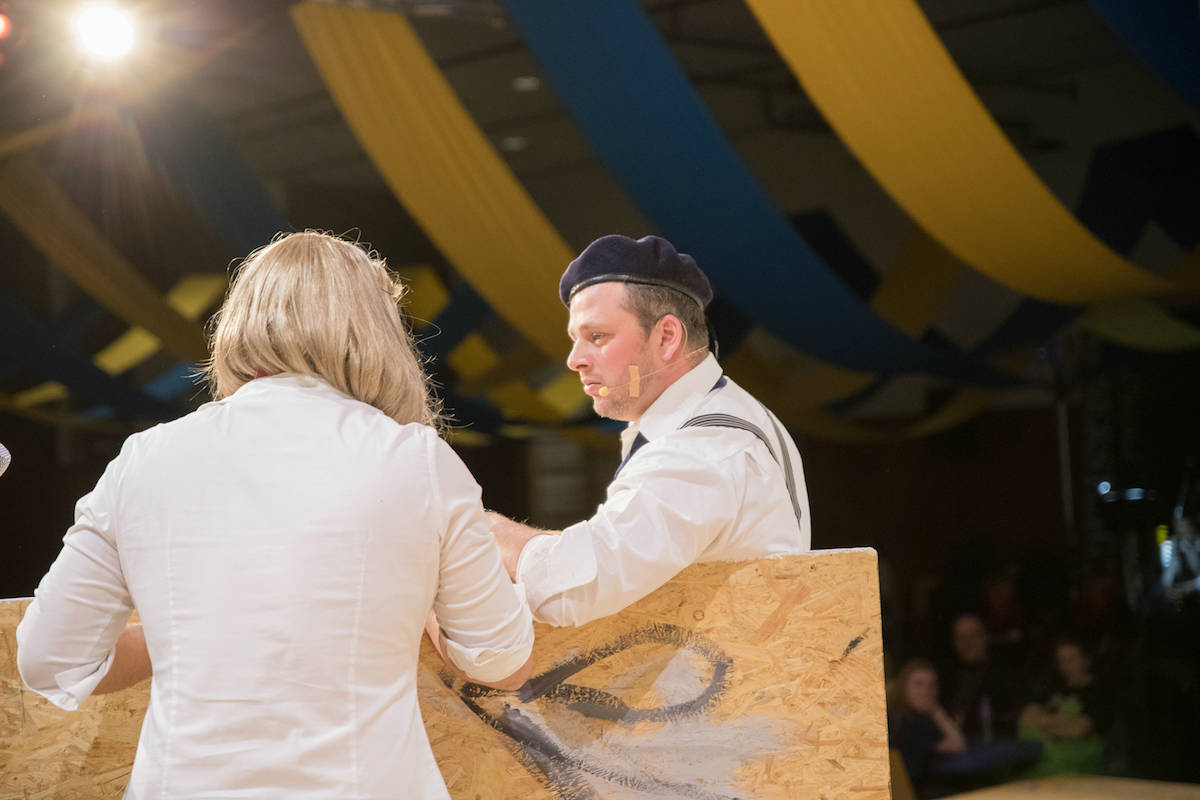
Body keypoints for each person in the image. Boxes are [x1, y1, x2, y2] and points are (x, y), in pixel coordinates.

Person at [16, 231, 534, 799]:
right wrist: (424, 609)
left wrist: (188, 636)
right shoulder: (418, 461)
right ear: (378, 333)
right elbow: (500, 661)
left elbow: (49, 660)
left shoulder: (143, 460)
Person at [488, 234, 811, 627]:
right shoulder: (716, 414)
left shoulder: (700, 450)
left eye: (597, 337)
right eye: (575, 340)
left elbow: (569, 594)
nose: (574, 360)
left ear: (667, 337)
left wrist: (483, 529)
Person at [1018, 636, 1113, 777]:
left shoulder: (1099, 691)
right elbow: (1024, 719)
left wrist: (1041, 723)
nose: (1065, 666)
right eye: (1061, 660)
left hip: (1077, 767)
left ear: (1086, 660)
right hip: (1039, 764)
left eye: (1071, 659)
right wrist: (1062, 722)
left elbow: (1078, 729)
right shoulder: (1051, 686)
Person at [888, 659, 967, 792]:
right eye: (919, 684)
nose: (926, 691)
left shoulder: (901, 715)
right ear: (903, 688)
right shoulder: (908, 721)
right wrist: (937, 711)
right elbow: (958, 745)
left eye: (932, 685)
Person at [941, 612, 1021, 740]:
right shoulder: (946, 677)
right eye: (961, 637)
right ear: (954, 643)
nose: (967, 642)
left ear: (985, 637)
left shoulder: (1003, 676)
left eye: (973, 635)